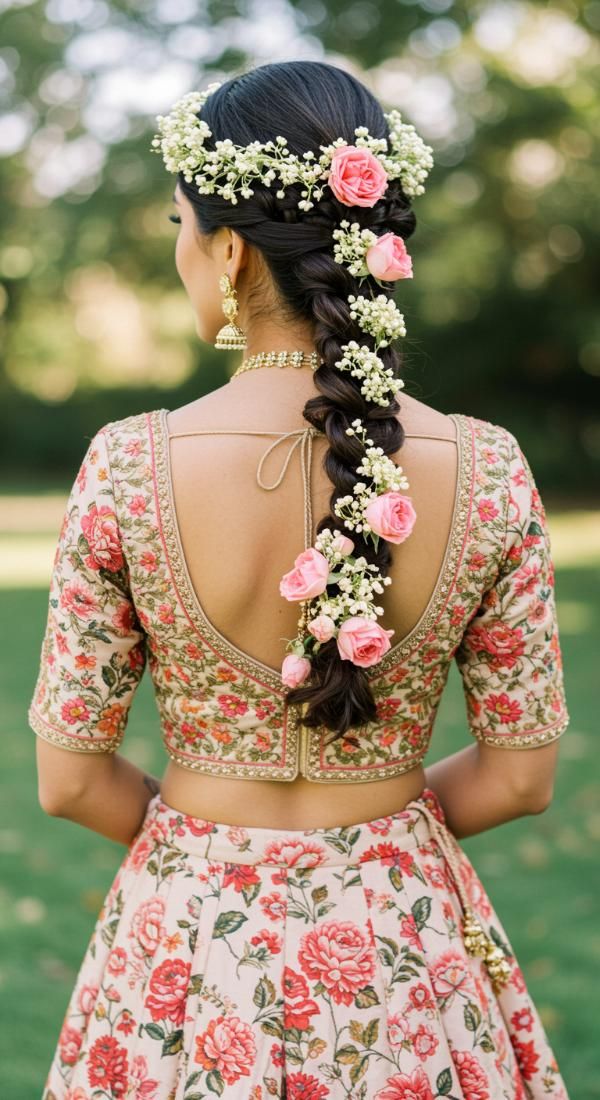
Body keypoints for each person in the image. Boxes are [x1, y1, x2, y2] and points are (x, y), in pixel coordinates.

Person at [28, 60, 571, 1099]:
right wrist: (375, 830)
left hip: (187, 943)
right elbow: (518, 776)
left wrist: (203, 836)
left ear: (229, 250)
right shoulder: (491, 467)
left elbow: (69, 779)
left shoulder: (128, 465)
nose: (180, 249)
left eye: (181, 224)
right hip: (405, 950)